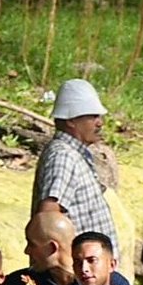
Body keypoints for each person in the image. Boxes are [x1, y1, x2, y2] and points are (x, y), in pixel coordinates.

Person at [32, 78, 117, 239]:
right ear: (71, 120)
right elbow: (48, 217)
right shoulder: (63, 156)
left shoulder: (74, 154)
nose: (100, 123)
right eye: (93, 116)